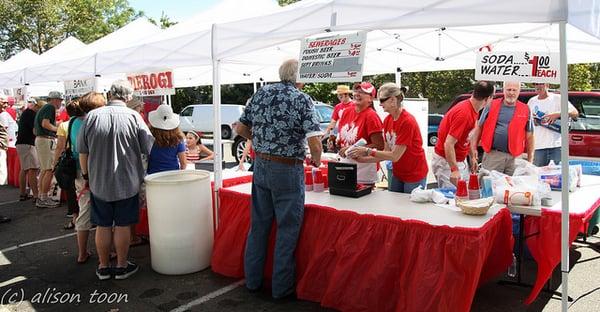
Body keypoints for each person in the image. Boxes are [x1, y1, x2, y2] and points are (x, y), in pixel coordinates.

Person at [234, 59, 322, 299]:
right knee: (287, 229)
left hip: (260, 164)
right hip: (286, 169)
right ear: (299, 78)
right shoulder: (301, 98)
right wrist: (316, 159)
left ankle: (252, 281)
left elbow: (240, 129)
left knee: (259, 226)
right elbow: (314, 139)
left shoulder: (261, 93)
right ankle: (281, 290)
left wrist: (262, 142)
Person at [78, 80, 154, 280]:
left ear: (110, 94)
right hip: (127, 181)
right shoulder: (134, 116)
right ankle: (121, 266)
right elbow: (149, 147)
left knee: (102, 225)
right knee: (122, 224)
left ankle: (103, 266)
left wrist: (86, 176)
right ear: (128, 97)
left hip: (98, 181)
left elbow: (82, 152)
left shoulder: (91, 117)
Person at [347, 83, 428, 193]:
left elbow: (394, 156)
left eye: (382, 100)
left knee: (410, 208)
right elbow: (386, 153)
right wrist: (362, 160)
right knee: (394, 205)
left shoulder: (407, 121)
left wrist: (367, 151)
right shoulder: (387, 120)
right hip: (398, 172)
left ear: (393, 100)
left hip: (414, 173)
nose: (379, 104)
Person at [432, 81, 495, 188]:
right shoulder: (464, 114)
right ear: (488, 98)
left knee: (466, 194)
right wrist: (454, 170)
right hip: (446, 163)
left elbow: (467, 136)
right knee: (452, 200)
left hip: (458, 161)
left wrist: (472, 156)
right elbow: (448, 143)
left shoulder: (473, 109)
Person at [471, 81, 535, 176]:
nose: (511, 93)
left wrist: (530, 160)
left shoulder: (526, 109)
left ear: (519, 91)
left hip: (515, 157)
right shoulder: (491, 105)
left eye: (514, 90)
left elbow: (530, 136)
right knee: (489, 185)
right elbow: (479, 127)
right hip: (493, 155)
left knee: (513, 188)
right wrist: (473, 148)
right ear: (503, 90)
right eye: (509, 89)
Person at [72, 92, 106, 264]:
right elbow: (83, 153)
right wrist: (87, 176)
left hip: (82, 172)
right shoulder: (89, 124)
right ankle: (103, 255)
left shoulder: (74, 122)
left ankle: (82, 252)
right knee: (102, 214)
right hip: (91, 173)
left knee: (84, 210)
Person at [336, 81, 384, 184]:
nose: (357, 94)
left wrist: (353, 149)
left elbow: (379, 146)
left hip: (364, 170)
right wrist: (335, 142)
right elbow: (342, 139)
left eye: (362, 92)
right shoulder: (346, 111)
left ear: (370, 98)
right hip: (345, 165)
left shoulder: (371, 116)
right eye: (356, 91)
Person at [527, 83, 578, 167]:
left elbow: (575, 113)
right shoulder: (532, 101)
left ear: (547, 85)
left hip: (557, 146)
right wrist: (533, 122)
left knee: (558, 176)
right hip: (538, 147)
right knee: (538, 176)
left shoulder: (557, 98)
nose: (538, 86)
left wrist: (557, 114)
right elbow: (527, 120)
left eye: (541, 84)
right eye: (536, 84)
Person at [53, 100, 85, 227]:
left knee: (72, 191)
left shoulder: (65, 124)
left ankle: (75, 218)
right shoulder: (84, 122)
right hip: (82, 162)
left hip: (71, 163)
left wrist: (54, 163)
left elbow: (60, 146)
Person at [33, 91, 63, 208]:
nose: (60, 103)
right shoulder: (50, 107)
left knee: (45, 170)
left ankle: (41, 197)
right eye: (60, 100)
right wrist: (58, 129)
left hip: (42, 140)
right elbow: (45, 124)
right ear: (55, 99)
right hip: (45, 140)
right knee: (49, 169)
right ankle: (44, 198)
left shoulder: (45, 107)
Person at [147, 105, 187, 174]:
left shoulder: (149, 137)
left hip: (153, 177)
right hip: (172, 176)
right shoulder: (178, 139)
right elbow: (183, 164)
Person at [16, 100, 43, 201]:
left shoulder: (26, 113)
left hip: (22, 143)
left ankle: (23, 193)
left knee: (24, 169)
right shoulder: (31, 114)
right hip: (28, 144)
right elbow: (35, 131)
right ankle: (36, 195)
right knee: (33, 169)